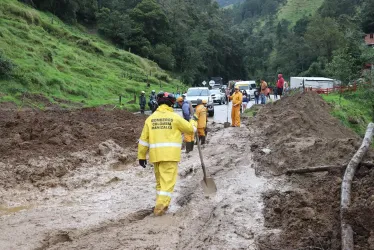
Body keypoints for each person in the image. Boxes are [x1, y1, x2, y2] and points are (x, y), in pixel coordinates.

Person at [138, 92, 197, 216]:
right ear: (172, 103)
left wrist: (141, 156)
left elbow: (143, 140)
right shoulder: (174, 117)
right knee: (167, 185)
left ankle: (159, 205)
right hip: (170, 157)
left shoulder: (151, 118)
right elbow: (191, 130)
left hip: (155, 157)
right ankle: (159, 210)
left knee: (160, 184)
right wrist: (193, 121)